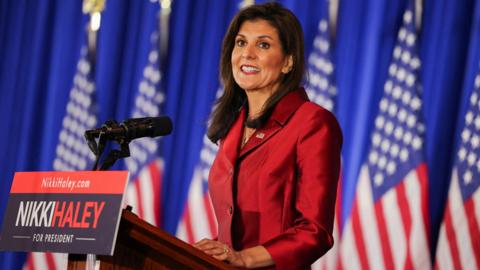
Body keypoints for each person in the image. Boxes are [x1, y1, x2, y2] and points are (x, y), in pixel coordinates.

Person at [193, 3, 342, 269]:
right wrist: (213, 251)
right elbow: (238, 228)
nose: (247, 54)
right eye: (240, 43)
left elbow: (315, 231)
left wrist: (244, 257)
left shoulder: (313, 123)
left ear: (288, 62)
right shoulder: (232, 128)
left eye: (263, 45)